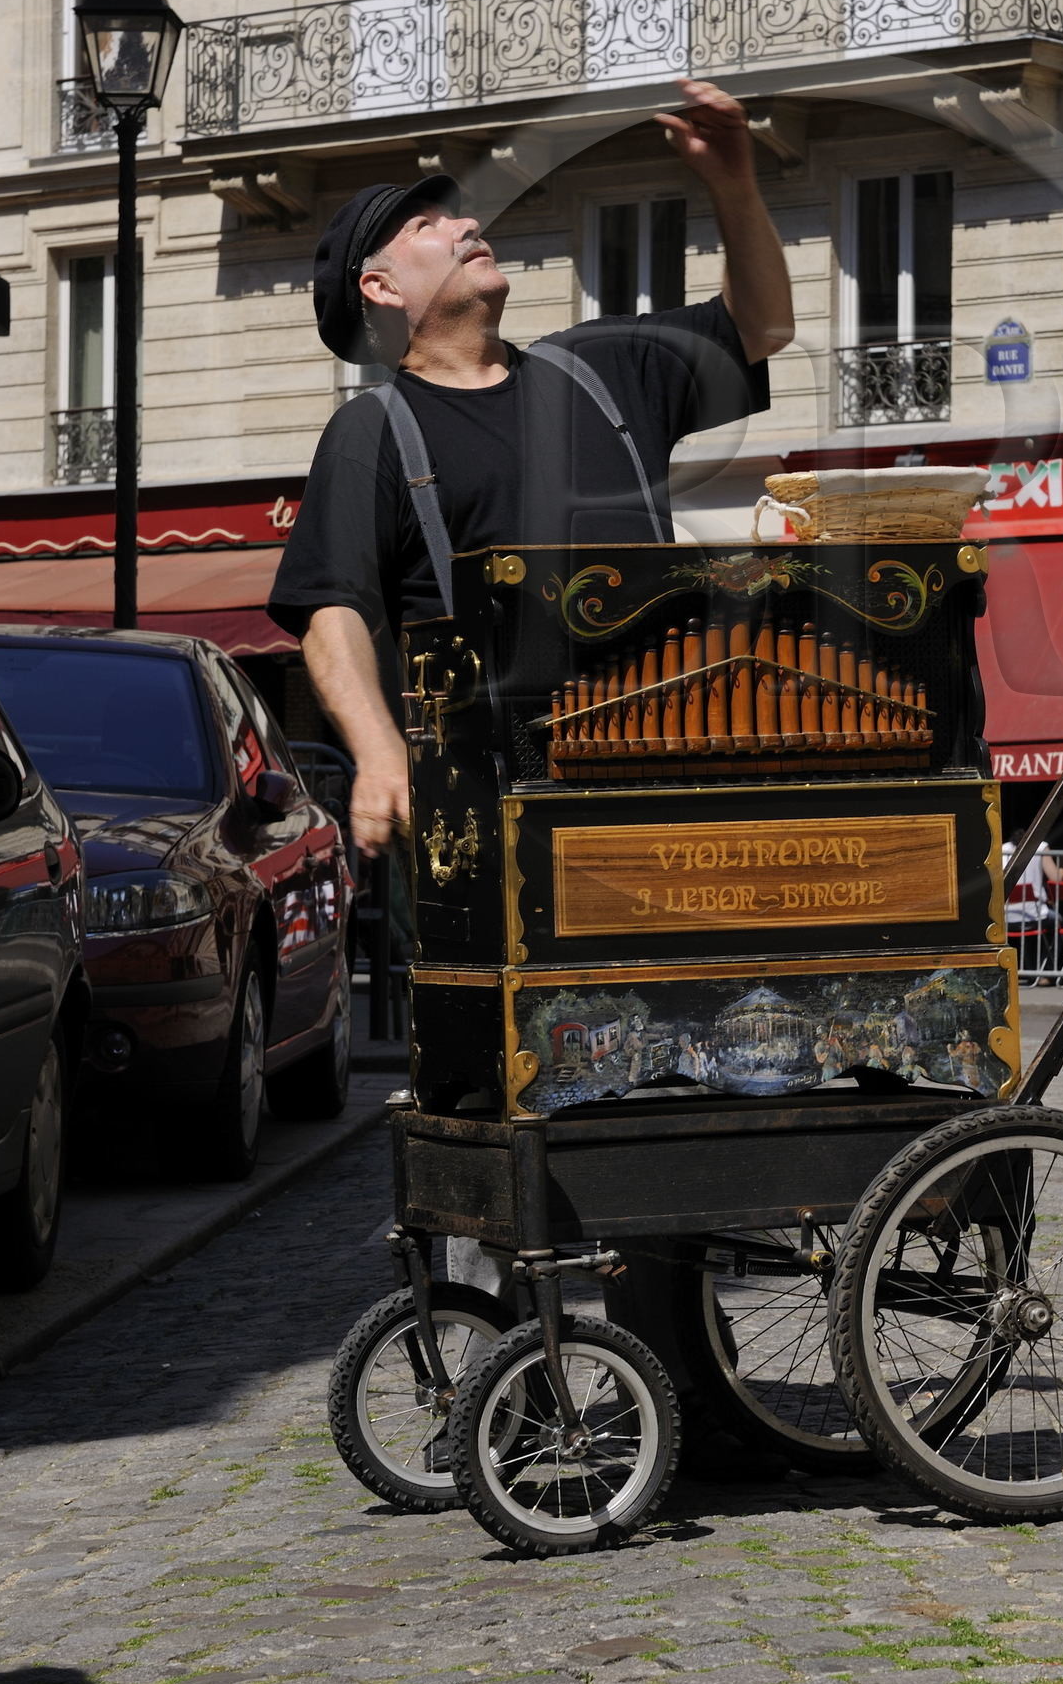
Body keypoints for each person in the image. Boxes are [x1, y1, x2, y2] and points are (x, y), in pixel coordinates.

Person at [268, 78, 794, 1477]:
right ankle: (554, 1370)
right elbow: (331, 609)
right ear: (382, 286)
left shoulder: (601, 375)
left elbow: (760, 329)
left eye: (461, 210)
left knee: (680, 1096)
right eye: (432, 224)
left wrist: (735, 174)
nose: (467, 226)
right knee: (542, 1110)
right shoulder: (374, 436)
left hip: (665, 806)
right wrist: (377, 750)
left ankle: (669, 1382)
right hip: (500, 832)